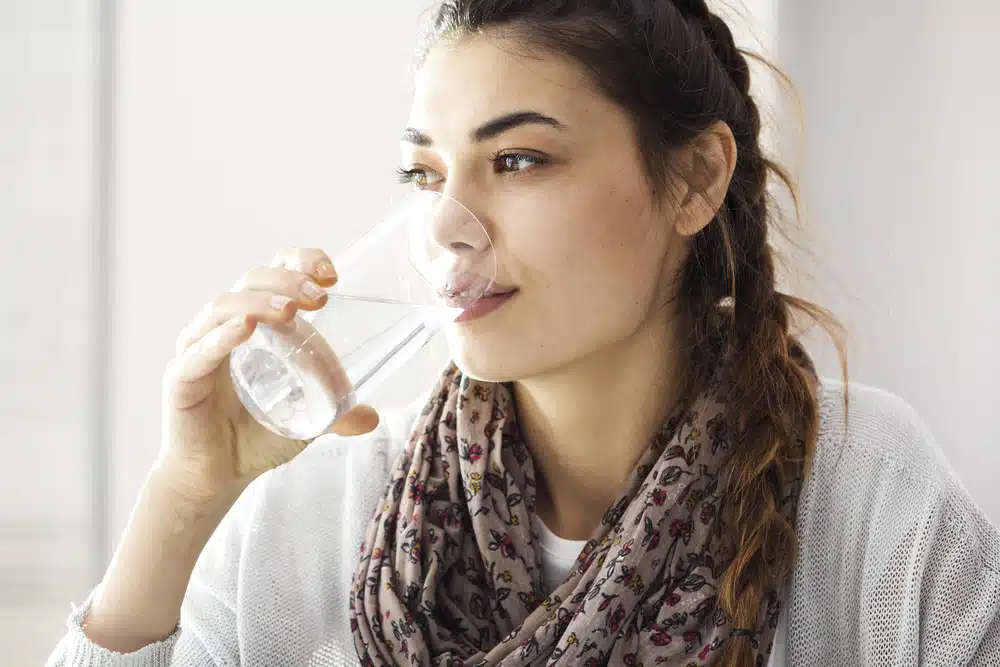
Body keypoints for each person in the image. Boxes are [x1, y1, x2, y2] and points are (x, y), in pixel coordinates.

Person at [46, 1, 1000, 665]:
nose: (447, 227)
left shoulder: (867, 494)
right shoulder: (311, 518)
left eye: (517, 159)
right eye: (425, 175)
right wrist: (185, 495)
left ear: (699, 179)